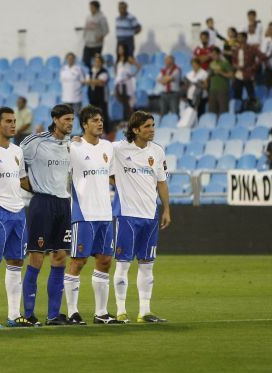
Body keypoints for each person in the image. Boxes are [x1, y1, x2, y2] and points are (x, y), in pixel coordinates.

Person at [111, 111, 171, 324]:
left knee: (147, 264)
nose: (152, 129)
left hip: (150, 215)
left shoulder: (157, 151)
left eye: (153, 125)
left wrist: (166, 209)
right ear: (135, 129)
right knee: (123, 264)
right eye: (147, 126)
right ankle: (120, 311)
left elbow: (161, 182)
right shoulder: (118, 149)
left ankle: (144, 311)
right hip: (126, 215)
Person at [65, 105, 120, 325]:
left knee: (105, 260)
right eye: (95, 120)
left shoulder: (108, 147)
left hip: (105, 213)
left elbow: (114, 176)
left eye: (101, 120)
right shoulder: (73, 147)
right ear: (85, 124)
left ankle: (101, 312)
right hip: (83, 212)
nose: (100, 123)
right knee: (78, 261)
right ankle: (72, 312)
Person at [0, 107, 34, 328]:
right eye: (8, 121)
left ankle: (14, 315)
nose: (13, 124)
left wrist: (47, 189)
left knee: (16, 262)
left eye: (14, 121)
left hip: (18, 211)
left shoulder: (17, 151)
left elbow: (22, 180)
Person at [20, 104, 74, 326]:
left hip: (63, 203)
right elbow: (14, 162)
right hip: (42, 203)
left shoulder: (72, 145)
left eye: (72, 119)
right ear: (55, 119)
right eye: (66, 119)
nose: (70, 123)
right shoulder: (35, 142)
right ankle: (29, 314)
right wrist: (35, 188)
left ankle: (53, 315)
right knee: (37, 257)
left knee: (60, 256)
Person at [232, 32, 267, 103]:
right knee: (237, 95)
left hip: (248, 74)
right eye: (238, 37)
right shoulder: (236, 50)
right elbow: (233, 61)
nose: (239, 39)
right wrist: (236, 66)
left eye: (240, 37)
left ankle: (252, 109)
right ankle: (239, 110)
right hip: (238, 74)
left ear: (245, 38)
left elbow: (262, 57)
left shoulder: (251, 48)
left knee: (251, 94)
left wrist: (253, 66)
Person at [114, 43, 140, 121]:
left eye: (121, 49)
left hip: (126, 82)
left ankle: (131, 118)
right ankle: (125, 118)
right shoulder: (117, 60)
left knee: (128, 101)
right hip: (119, 82)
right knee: (122, 101)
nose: (120, 51)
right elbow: (116, 72)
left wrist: (133, 74)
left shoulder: (128, 58)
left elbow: (138, 66)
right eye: (119, 49)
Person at [86, 54, 111, 132]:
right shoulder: (90, 71)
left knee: (103, 113)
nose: (97, 63)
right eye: (95, 61)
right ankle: (95, 130)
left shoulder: (104, 71)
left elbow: (101, 82)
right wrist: (95, 82)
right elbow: (87, 82)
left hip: (101, 96)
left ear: (101, 62)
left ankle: (106, 131)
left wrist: (91, 81)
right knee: (93, 114)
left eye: (98, 61)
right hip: (92, 95)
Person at [82, 1, 109, 69]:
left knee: (97, 60)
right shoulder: (88, 17)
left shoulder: (102, 17)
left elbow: (106, 30)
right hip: (88, 43)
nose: (90, 8)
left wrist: (101, 37)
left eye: (92, 7)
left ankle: (99, 72)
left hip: (97, 44)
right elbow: (86, 28)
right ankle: (91, 72)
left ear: (96, 7)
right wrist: (84, 36)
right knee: (85, 60)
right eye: (90, 7)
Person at [208, 47, 233, 116]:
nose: (213, 56)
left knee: (223, 109)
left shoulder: (225, 63)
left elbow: (231, 75)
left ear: (219, 54)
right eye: (212, 55)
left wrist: (221, 72)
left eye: (215, 54)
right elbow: (210, 75)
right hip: (213, 89)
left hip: (223, 89)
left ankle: (224, 124)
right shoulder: (211, 63)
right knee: (212, 110)